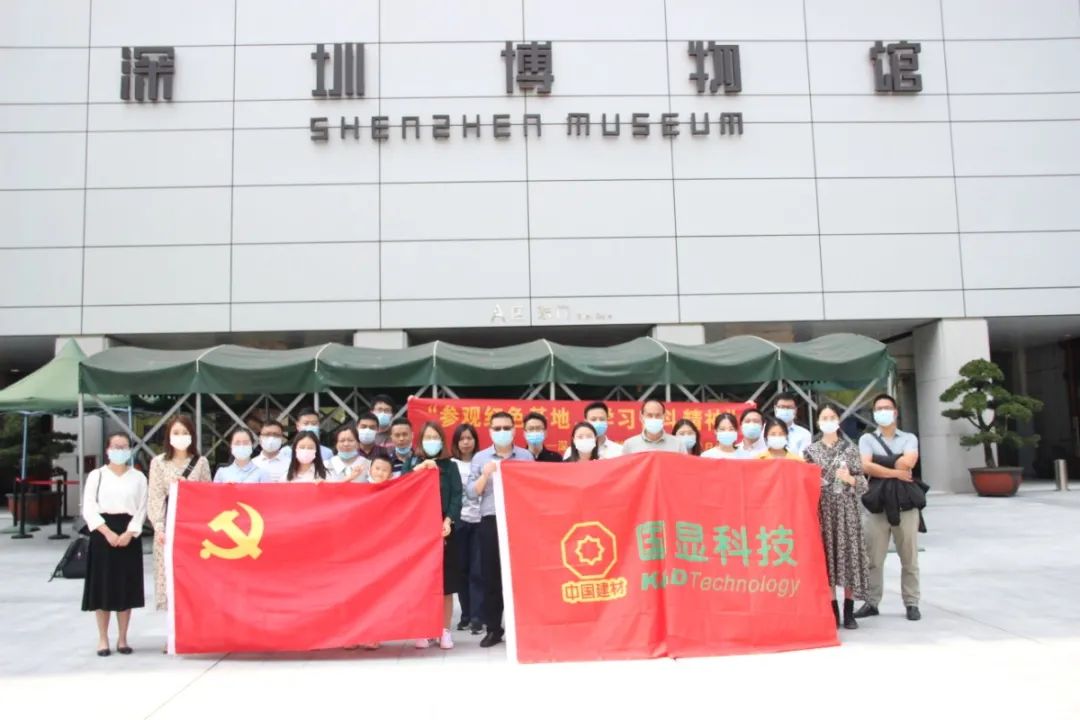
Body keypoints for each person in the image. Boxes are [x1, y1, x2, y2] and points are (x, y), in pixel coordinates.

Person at [466, 412, 534, 647]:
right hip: (491, 520)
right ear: (490, 431)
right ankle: (494, 628)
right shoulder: (480, 458)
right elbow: (471, 493)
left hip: (519, 521)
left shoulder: (525, 456)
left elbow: (533, 487)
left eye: (507, 427)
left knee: (521, 576)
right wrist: (485, 474)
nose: (502, 432)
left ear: (514, 430)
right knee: (491, 576)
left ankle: (523, 627)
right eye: (497, 428)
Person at [855, 393, 924, 622]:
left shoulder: (909, 437)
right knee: (873, 558)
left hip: (905, 503)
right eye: (878, 409)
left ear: (895, 412)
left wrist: (880, 463)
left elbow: (909, 461)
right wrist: (896, 470)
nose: (882, 412)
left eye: (886, 408)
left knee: (909, 557)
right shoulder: (867, 439)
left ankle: (912, 602)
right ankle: (872, 602)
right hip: (876, 504)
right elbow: (865, 466)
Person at [803, 403, 870, 630]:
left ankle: (849, 611)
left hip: (847, 511)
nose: (828, 421)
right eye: (824, 417)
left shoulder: (850, 449)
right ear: (818, 421)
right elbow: (805, 483)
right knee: (828, 561)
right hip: (823, 510)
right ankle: (833, 611)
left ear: (838, 420)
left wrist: (850, 479)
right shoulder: (810, 451)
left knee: (849, 559)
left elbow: (863, 484)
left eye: (832, 417)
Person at [82, 432, 148, 656]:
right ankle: (103, 639)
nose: (120, 450)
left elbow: (142, 508)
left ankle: (123, 638)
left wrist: (130, 532)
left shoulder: (138, 477)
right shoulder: (97, 475)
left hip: (129, 532)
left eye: (124, 446)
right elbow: (89, 507)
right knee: (102, 587)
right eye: (116, 446)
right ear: (108, 450)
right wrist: (107, 532)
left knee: (125, 586)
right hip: (103, 532)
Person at [409, 422, 463, 650]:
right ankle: (424, 628)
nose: (431, 441)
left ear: (442, 441)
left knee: (446, 584)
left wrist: (448, 520)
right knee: (421, 582)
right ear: (420, 441)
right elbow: (403, 487)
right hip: (418, 531)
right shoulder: (412, 464)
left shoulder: (451, 467)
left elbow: (457, 496)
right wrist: (420, 469)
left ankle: (444, 630)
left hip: (444, 528)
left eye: (435, 437)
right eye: (427, 437)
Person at [148, 414, 211, 611]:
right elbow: (156, 496)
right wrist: (159, 527)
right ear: (168, 436)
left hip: (193, 529)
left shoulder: (201, 462)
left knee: (193, 581)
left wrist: (190, 488)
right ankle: (171, 628)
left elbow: (208, 495)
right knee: (169, 579)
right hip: (168, 528)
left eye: (185, 432)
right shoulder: (158, 462)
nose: (180, 436)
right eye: (176, 432)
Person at [450, 424, 484, 634]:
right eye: (461, 438)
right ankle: (466, 615)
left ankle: (478, 617)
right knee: (461, 570)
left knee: (477, 571)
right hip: (458, 522)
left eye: (469, 438)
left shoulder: (482, 462)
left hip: (480, 520)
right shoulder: (451, 464)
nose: (465, 442)